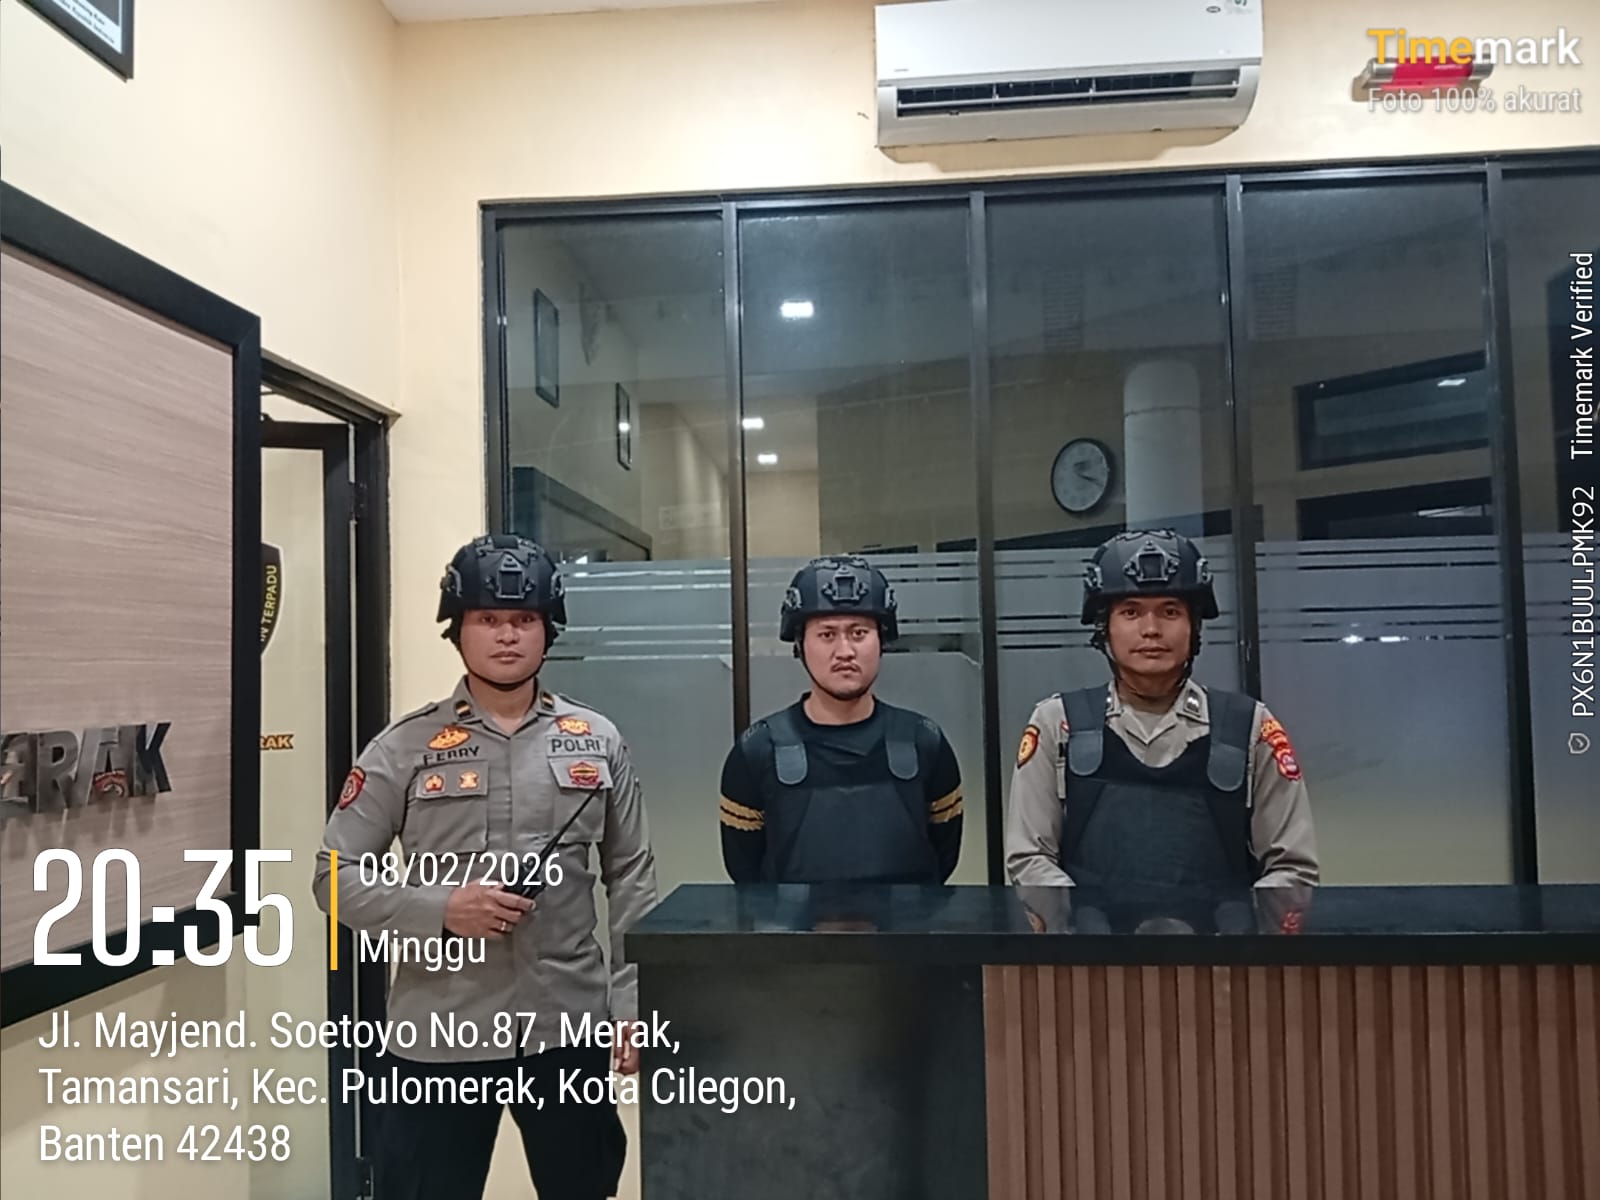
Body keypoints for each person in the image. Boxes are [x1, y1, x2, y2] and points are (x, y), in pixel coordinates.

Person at [312, 534, 658, 1200]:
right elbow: (333, 877)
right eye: (488, 618)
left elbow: (632, 876)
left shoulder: (596, 740)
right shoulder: (403, 747)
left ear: (548, 629)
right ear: (458, 629)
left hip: (566, 1027)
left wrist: (633, 1004)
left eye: (524, 618)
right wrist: (443, 910)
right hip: (439, 1031)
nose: (507, 635)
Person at [1004, 529, 1318, 892]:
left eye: (1170, 611)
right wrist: (1081, 921)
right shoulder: (1058, 724)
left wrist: (1243, 924)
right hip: (1087, 930)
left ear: (1194, 626)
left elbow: (1292, 869)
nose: (1151, 629)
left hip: (1222, 930)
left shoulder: (1248, 727)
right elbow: (1029, 860)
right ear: (1104, 628)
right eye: (1131, 612)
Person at [719, 554, 963, 883]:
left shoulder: (925, 743)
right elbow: (746, 874)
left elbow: (943, 858)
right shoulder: (757, 752)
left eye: (859, 633)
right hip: (789, 921)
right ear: (800, 644)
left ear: (882, 641)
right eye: (827, 635)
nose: (845, 651)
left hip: (908, 920)